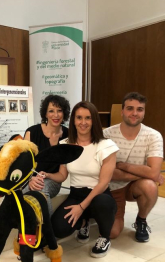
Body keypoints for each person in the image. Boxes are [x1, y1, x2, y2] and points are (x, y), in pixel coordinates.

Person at [48, 101, 118, 258]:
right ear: (73, 120)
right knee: (58, 228)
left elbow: (103, 183)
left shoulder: (106, 145)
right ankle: (84, 223)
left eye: (88, 118)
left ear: (94, 120)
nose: (83, 122)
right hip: (76, 194)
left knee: (102, 203)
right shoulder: (65, 144)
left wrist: (81, 207)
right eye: (79, 118)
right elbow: (62, 175)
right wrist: (47, 175)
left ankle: (104, 238)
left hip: (99, 194)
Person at [103, 92, 164, 242]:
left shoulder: (154, 136)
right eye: (130, 108)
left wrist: (123, 165)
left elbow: (154, 172)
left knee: (149, 186)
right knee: (112, 233)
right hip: (112, 187)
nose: (134, 113)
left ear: (144, 113)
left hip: (135, 186)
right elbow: (108, 173)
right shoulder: (107, 134)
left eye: (139, 109)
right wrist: (147, 173)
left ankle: (141, 221)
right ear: (122, 111)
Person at [24, 95, 70, 214]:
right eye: (51, 111)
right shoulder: (32, 132)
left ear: (64, 113)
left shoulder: (68, 136)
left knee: (41, 189)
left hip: (53, 180)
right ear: (45, 113)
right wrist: (30, 179)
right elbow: (23, 164)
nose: (56, 115)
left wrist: (48, 175)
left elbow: (62, 175)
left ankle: (45, 231)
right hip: (29, 178)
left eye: (59, 111)